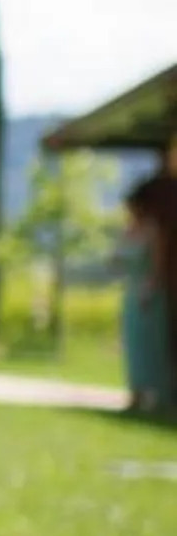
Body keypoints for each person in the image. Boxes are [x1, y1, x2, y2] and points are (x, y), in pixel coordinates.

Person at [119, 176, 175, 415]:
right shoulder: (129, 229)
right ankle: (136, 393)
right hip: (131, 291)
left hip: (149, 293)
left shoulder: (154, 231)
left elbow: (159, 265)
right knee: (133, 344)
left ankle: (158, 395)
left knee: (151, 344)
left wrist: (148, 290)